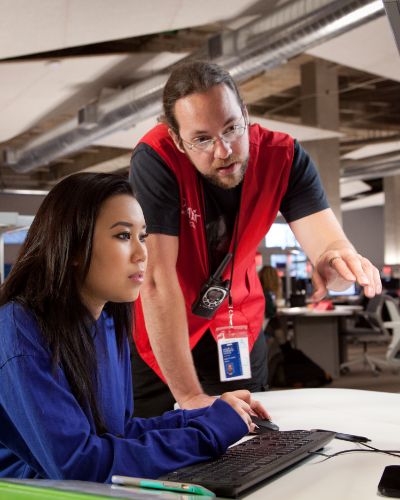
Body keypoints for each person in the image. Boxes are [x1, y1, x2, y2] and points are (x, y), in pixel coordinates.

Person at [129, 60, 382, 418]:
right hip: (165, 329)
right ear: (176, 138)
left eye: (232, 128)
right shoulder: (157, 159)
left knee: (252, 440)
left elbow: (330, 246)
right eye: (202, 139)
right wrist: (188, 396)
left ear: (245, 114)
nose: (224, 151)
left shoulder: (285, 157)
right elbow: (156, 278)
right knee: (159, 444)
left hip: (236, 323)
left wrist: (336, 264)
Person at [0, 172, 268, 482]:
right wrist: (209, 433)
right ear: (73, 247)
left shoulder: (108, 323)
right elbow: (80, 465)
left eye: (143, 236)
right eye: (123, 236)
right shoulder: (18, 332)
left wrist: (204, 416)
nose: (143, 254)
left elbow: (119, 433)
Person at [258, 265, 287, 346]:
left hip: (258, 330)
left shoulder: (259, 291)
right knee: (275, 324)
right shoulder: (265, 294)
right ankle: (285, 345)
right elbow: (271, 311)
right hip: (260, 331)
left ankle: (284, 345)